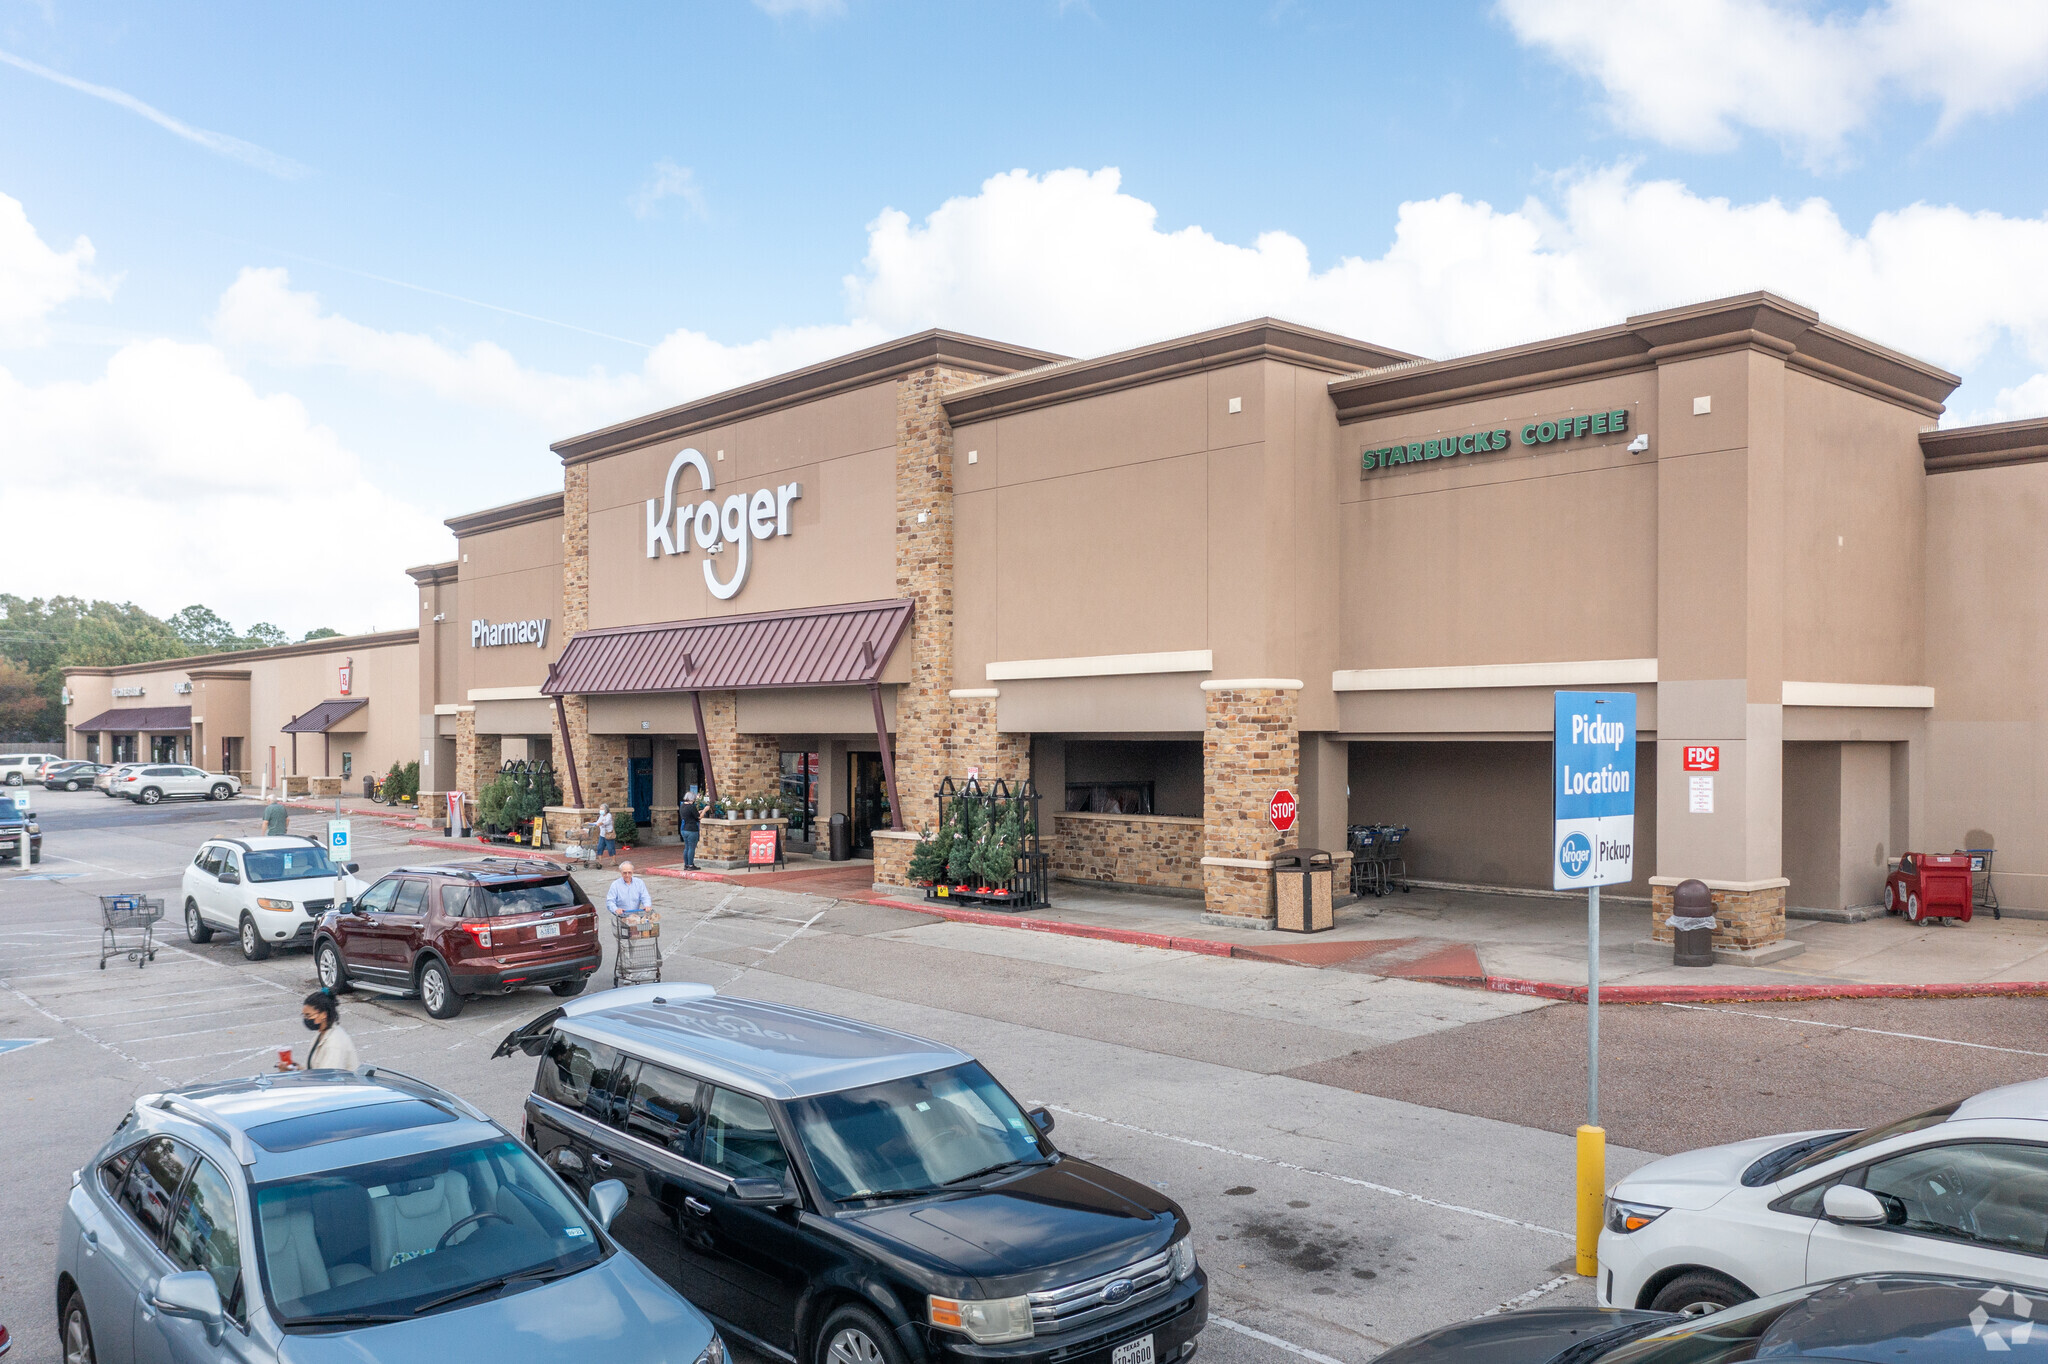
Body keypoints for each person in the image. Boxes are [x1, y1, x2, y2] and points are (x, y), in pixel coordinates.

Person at [281, 989, 358, 1071]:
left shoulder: (334, 1044)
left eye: (308, 1015)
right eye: (304, 1015)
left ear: (323, 1015)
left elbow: (326, 1078)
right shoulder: (322, 1033)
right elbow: (314, 1070)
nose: (306, 1019)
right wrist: (295, 1068)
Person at [606, 860, 655, 932]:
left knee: (634, 938)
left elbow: (645, 896)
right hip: (620, 917)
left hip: (634, 917)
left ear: (632, 872)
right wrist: (616, 909)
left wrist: (647, 905)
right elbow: (610, 901)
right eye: (624, 873)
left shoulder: (639, 882)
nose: (627, 875)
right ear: (621, 873)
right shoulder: (615, 885)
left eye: (629, 872)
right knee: (623, 941)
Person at [679, 791, 701, 871]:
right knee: (692, 848)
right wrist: (705, 810)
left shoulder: (682, 806)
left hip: (684, 829)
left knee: (686, 847)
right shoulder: (692, 807)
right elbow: (698, 817)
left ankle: (686, 864)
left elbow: (690, 815)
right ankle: (691, 865)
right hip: (692, 829)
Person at [595, 803, 617, 867]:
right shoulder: (601, 816)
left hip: (608, 834)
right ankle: (600, 861)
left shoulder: (609, 815)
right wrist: (592, 824)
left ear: (606, 810)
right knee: (600, 847)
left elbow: (607, 822)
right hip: (602, 834)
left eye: (602, 809)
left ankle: (614, 861)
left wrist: (601, 823)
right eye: (600, 809)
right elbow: (597, 822)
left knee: (610, 848)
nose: (600, 810)